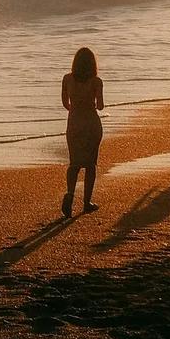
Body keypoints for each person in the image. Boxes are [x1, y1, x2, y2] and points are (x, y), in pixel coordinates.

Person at [61, 46, 105, 218]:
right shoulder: (96, 81)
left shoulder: (67, 79)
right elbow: (100, 106)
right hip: (91, 124)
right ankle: (86, 203)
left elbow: (65, 103)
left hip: (74, 124)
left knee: (74, 164)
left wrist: (75, 108)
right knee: (90, 165)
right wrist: (92, 104)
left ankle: (70, 195)